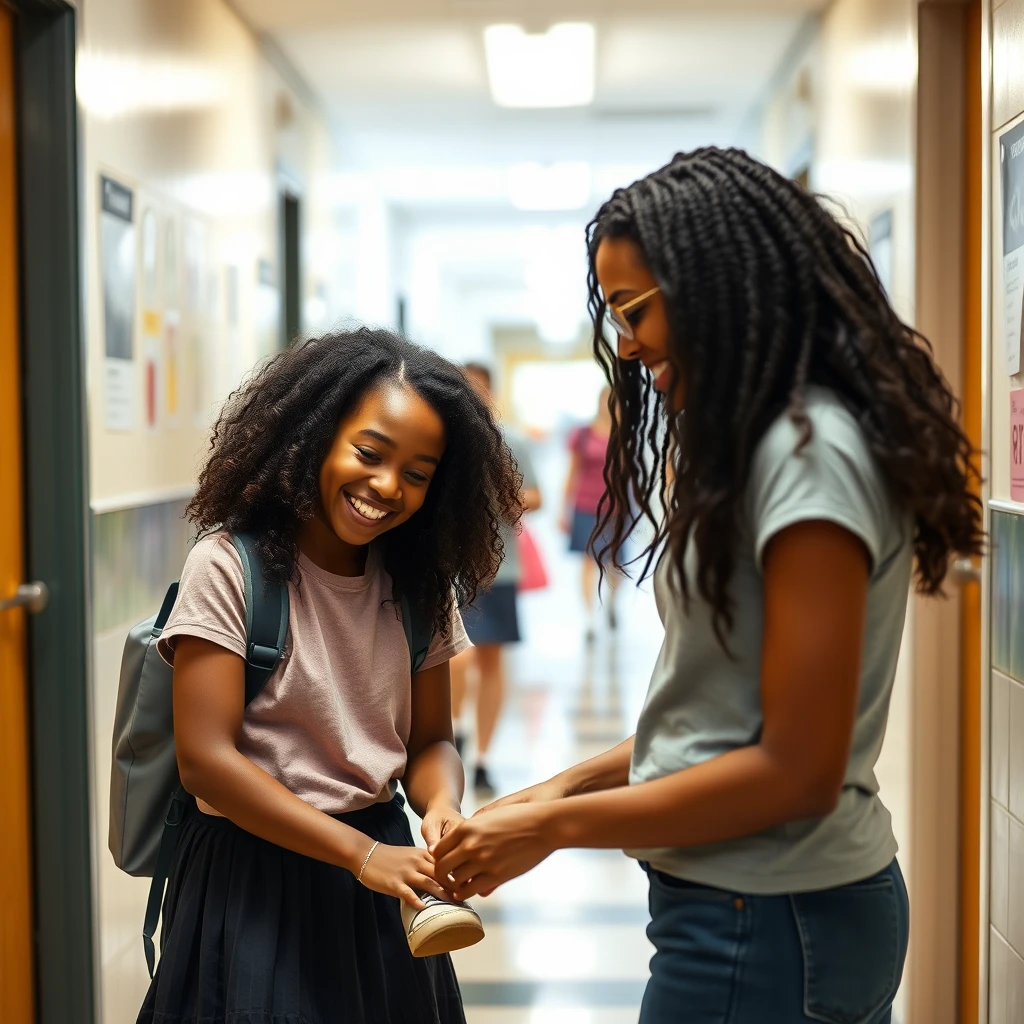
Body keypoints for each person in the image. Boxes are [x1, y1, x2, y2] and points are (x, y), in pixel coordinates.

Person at [432, 148, 983, 1022]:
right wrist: (559, 789)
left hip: (769, 918)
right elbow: (718, 722)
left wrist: (553, 829)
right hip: (742, 907)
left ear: (716, 285)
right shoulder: (756, 446)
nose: (625, 342)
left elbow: (796, 770)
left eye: (635, 310)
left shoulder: (806, 456)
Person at [137, 328, 522, 1024]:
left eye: (417, 472)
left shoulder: (418, 586)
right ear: (313, 435)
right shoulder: (230, 567)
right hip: (251, 878)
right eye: (369, 454)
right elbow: (206, 762)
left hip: (381, 876)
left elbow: (432, 741)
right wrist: (361, 854)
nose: (386, 486)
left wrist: (441, 806)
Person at [449, 362, 541, 796]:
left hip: (499, 566)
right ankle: (455, 731)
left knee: (489, 660)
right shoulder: (443, 440)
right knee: (454, 656)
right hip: (449, 564)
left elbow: (534, 496)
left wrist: (507, 494)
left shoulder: (511, 441)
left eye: (478, 389)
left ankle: (482, 756)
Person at [562, 385, 622, 640]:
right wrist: (563, 509)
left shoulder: (626, 434)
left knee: (616, 563)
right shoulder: (583, 434)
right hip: (586, 506)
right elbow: (572, 471)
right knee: (588, 561)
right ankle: (589, 618)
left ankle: (611, 604)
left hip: (618, 508)